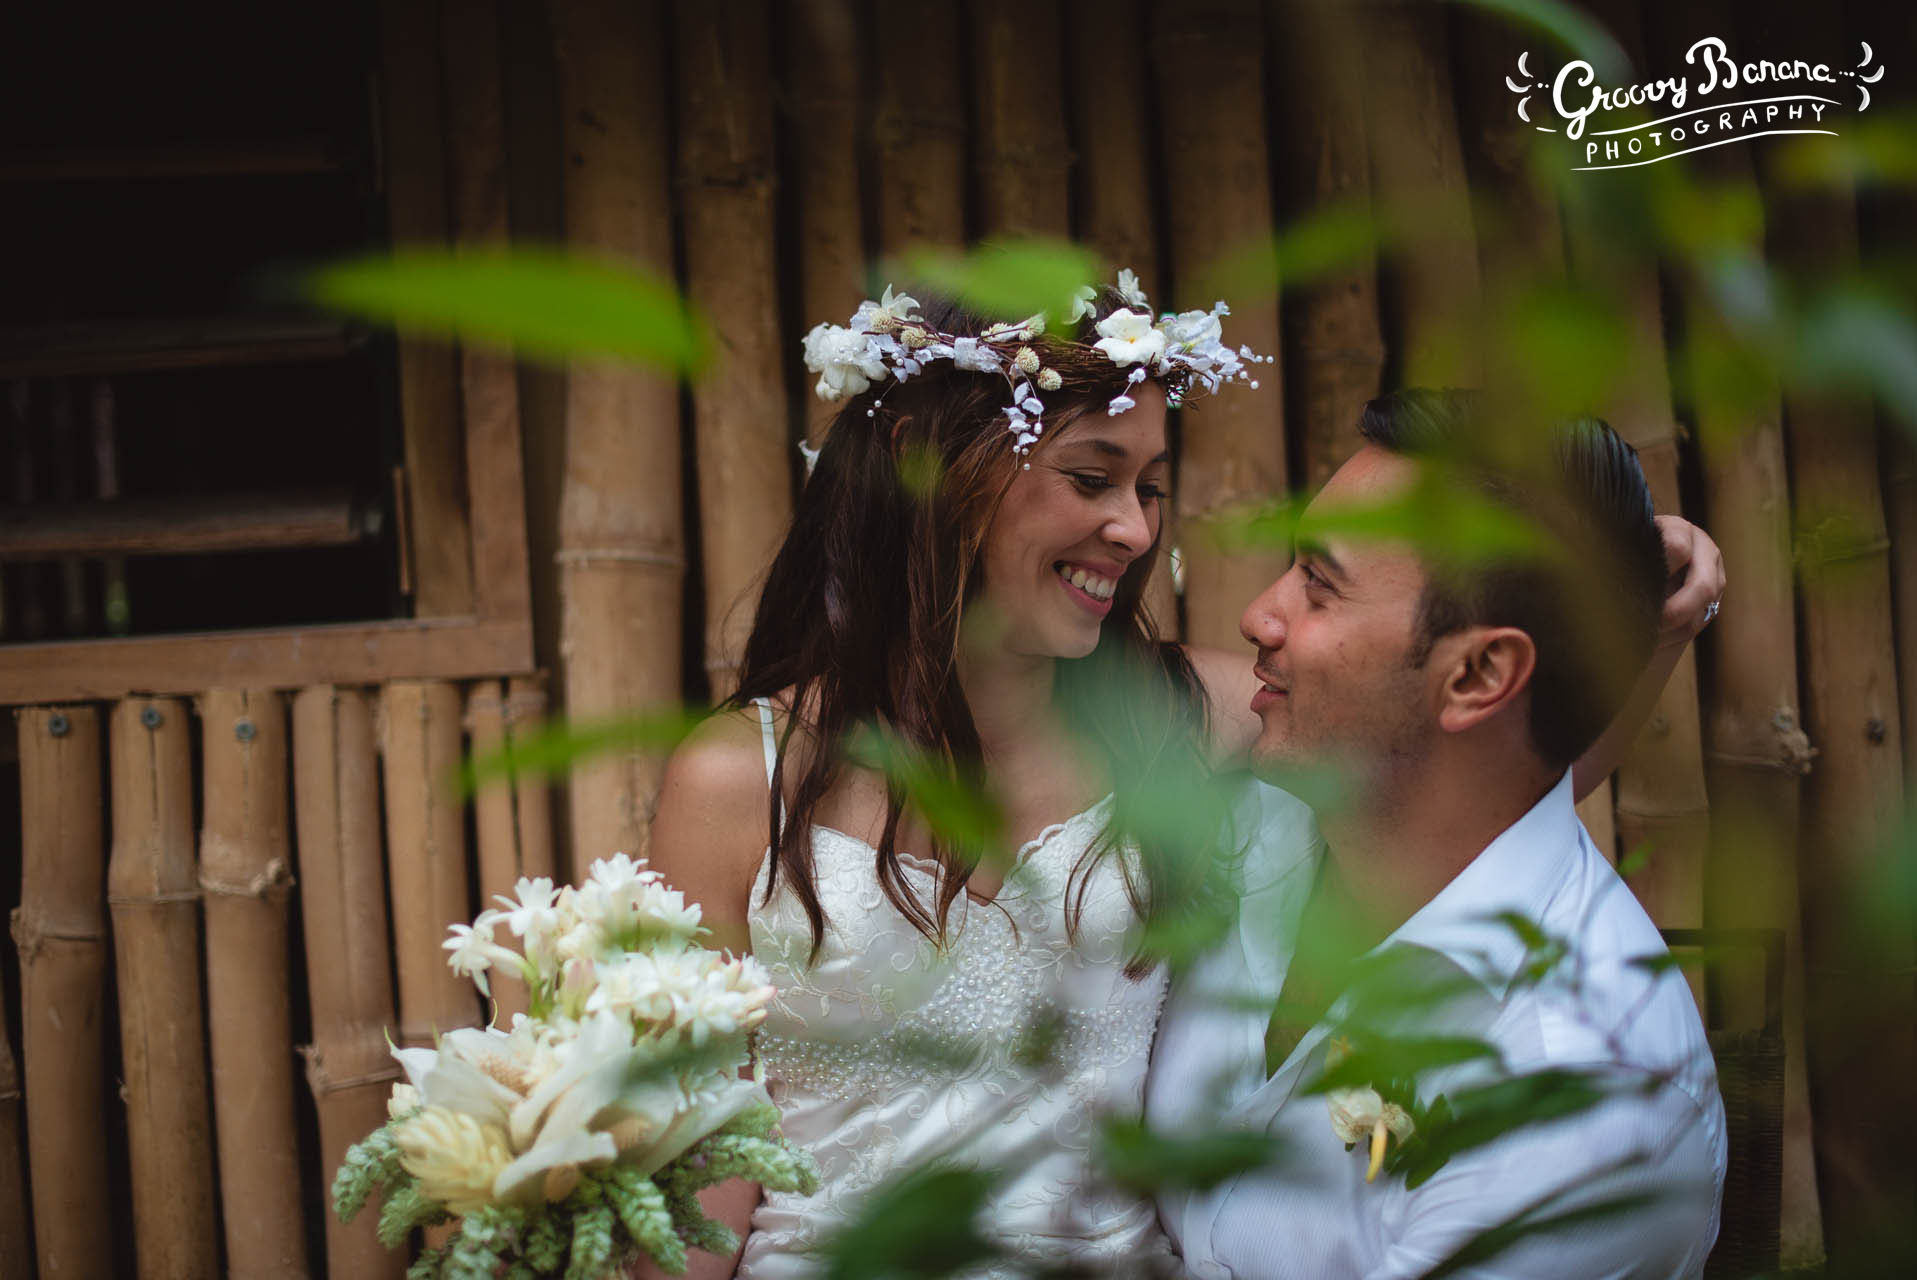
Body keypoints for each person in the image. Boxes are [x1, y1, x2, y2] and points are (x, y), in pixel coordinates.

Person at [646, 282, 1722, 1279]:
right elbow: (703, 1181)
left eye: (1152, 485)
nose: (1138, 527)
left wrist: (1623, 615)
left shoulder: (1179, 723)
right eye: (1091, 476)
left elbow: (1478, 777)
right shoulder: (740, 781)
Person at [1148, 389, 1728, 1279]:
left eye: (1318, 582)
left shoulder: (1569, 1104)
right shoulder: (1271, 807)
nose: (1258, 615)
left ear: (1478, 675)